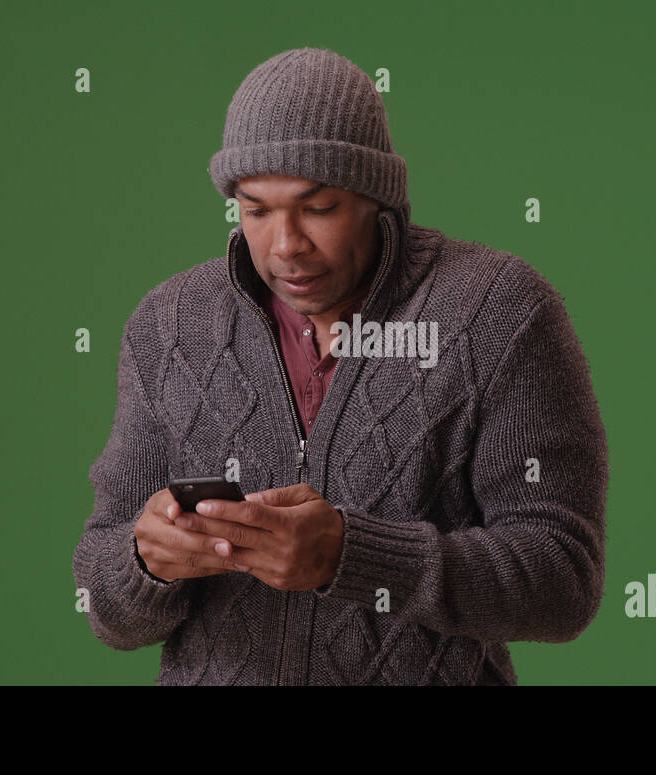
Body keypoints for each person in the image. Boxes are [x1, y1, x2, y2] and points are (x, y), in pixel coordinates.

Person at [72, 47, 609, 685]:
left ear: (377, 198)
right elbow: (105, 608)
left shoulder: (497, 313)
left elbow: (562, 580)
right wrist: (145, 563)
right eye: (256, 210)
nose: (285, 245)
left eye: (318, 208)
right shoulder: (169, 326)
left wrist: (350, 557)